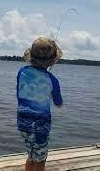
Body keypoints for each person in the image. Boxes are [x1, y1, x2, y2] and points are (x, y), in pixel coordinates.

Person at [16, 37, 63, 171]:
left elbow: (19, 93)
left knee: (31, 155)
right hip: (40, 125)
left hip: (23, 122)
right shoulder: (52, 79)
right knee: (41, 159)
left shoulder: (22, 71)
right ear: (52, 60)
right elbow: (58, 103)